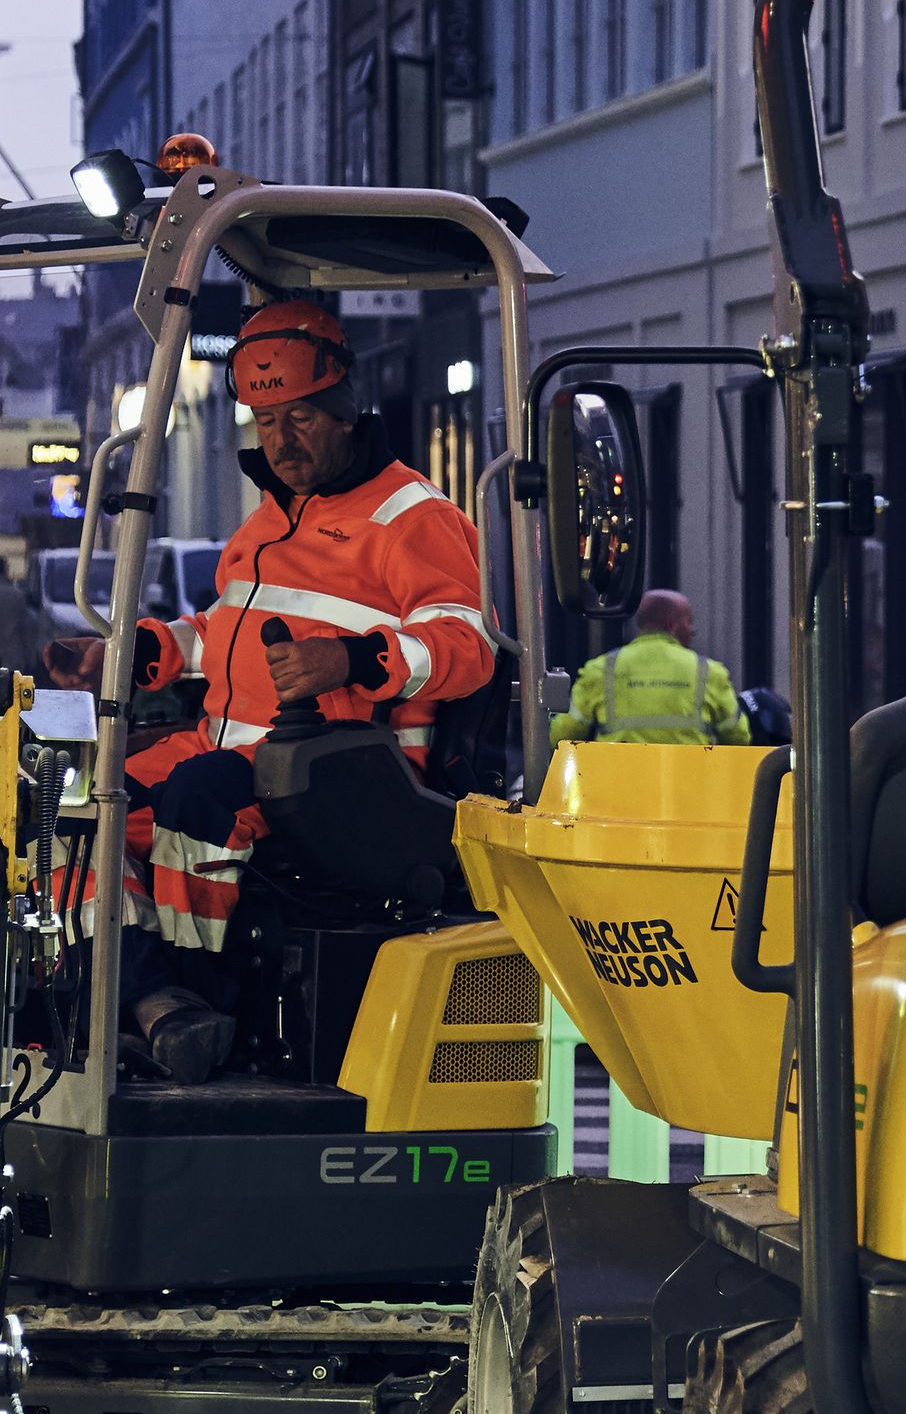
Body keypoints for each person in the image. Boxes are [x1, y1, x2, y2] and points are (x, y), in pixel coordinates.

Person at [117, 294, 495, 1079]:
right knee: (79, 802)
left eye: (300, 420)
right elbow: (227, 633)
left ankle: (202, 1007)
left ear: (345, 410)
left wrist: (352, 660)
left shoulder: (411, 518)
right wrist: (148, 652)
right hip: (235, 750)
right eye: (264, 423)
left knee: (197, 797)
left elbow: (469, 646)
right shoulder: (267, 522)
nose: (280, 443)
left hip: (343, 775)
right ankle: (151, 1004)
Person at [564, 588, 750, 746]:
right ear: (672, 625)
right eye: (689, 621)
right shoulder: (708, 672)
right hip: (689, 784)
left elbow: (565, 732)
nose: (693, 630)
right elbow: (739, 736)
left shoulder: (601, 669)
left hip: (617, 783)